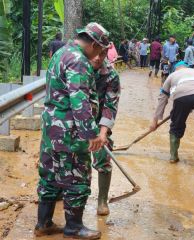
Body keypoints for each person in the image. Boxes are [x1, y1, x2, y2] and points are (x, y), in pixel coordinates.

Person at [35, 23, 110, 239]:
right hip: (70, 132)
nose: (100, 54)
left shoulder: (61, 53)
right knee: (77, 178)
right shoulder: (79, 61)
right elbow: (80, 102)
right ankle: (74, 227)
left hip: (52, 129)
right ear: (94, 44)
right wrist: (92, 134)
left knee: (49, 174)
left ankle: (44, 223)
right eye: (100, 49)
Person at [90, 49, 121, 216]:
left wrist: (103, 132)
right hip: (72, 122)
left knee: (103, 156)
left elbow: (111, 105)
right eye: (94, 52)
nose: (97, 58)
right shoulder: (75, 66)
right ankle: (59, 192)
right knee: (66, 158)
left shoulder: (111, 75)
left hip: (98, 122)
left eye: (102, 54)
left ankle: (102, 199)